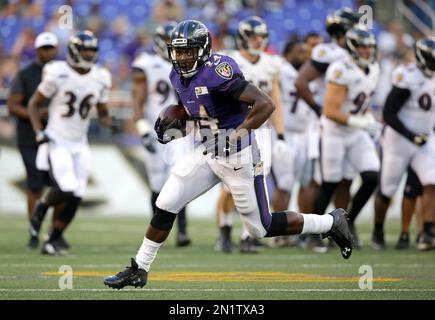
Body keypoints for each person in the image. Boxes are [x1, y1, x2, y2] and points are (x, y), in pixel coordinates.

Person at [103, 20, 353, 290]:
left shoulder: (217, 72)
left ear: (203, 49)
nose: (183, 57)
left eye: (189, 51)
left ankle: (330, 221)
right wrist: (176, 125)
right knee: (166, 202)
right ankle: (139, 268)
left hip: (238, 156)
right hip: (209, 151)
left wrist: (237, 133)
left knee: (261, 227)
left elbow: (265, 104)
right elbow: (197, 112)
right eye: (178, 51)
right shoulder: (176, 76)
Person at [27, 30, 116, 255]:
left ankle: (52, 240)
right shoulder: (57, 72)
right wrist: (39, 130)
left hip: (79, 141)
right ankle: (43, 206)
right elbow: (33, 104)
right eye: (85, 50)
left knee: (77, 194)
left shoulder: (101, 76)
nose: (89, 54)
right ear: (75, 51)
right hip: (58, 138)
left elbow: (102, 111)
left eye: (92, 50)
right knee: (66, 187)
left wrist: (108, 122)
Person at [215, 16, 287, 253]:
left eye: (261, 36)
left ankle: (248, 235)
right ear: (243, 37)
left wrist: (281, 134)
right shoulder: (229, 62)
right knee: (229, 184)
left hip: (262, 131)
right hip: (233, 127)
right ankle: (224, 232)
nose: (258, 40)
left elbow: (274, 99)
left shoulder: (272, 63)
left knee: (255, 181)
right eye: (254, 35)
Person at [295, 8, 360, 252]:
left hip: (351, 126)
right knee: (322, 181)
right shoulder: (328, 52)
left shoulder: (359, 53)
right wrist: (318, 108)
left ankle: (340, 228)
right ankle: (312, 232)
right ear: (342, 30)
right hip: (329, 126)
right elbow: (301, 81)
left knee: (346, 181)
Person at [313, 25, 381, 249]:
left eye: (370, 46)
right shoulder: (340, 69)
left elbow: (362, 104)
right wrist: (358, 121)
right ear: (352, 47)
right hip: (334, 132)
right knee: (330, 184)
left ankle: (346, 223)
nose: (367, 51)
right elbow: (330, 110)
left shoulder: (374, 68)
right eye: (363, 46)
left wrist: (369, 119)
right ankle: (311, 231)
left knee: (371, 176)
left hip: (355, 132)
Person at [373, 36, 435, 251]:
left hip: (425, 138)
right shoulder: (406, 76)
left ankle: (428, 231)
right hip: (398, 139)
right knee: (387, 189)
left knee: (432, 180)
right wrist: (410, 135)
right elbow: (389, 114)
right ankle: (378, 230)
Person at [132, 22, 191, 247]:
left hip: (182, 130)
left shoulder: (188, 64)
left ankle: (183, 232)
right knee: (157, 184)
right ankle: (158, 232)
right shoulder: (146, 64)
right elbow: (137, 100)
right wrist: (142, 129)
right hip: (155, 129)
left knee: (181, 178)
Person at [7, 32, 67, 249]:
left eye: (51, 47)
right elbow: (13, 106)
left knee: (61, 185)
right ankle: (34, 231)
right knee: (35, 184)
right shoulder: (25, 74)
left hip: (58, 137)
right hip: (30, 138)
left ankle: (54, 232)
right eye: (45, 48)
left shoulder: (64, 73)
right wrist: (38, 114)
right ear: (38, 50)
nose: (48, 51)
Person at [270, 40, 316, 247]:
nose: (304, 56)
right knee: (285, 183)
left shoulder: (311, 73)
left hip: (305, 132)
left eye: (306, 52)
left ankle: (303, 230)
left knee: (306, 182)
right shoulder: (279, 70)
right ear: (287, 53)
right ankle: (280, 232)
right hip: (284, 132)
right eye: (299, 51)